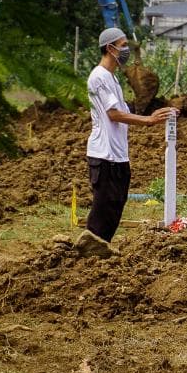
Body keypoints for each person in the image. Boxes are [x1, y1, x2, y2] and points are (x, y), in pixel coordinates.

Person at [75, 27, 175, 259]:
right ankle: (88, 254)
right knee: (104, 208)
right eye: (123, 45)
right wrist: (148, 121)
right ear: (110, 48)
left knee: (116, 206)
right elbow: (114, 114)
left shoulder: (112, 79)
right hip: (104, 154)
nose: (126, 50)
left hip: (118, 155)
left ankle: (100, 252)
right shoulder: (99, 77)